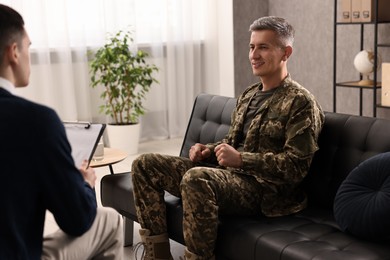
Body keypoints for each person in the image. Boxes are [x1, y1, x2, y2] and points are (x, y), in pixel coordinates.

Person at [131, 16, 324, 260]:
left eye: (263, 47)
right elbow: (232, 143)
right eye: (252, 47)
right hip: (232, 178)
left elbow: (296, 167)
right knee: (144, 164)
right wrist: (207, 150)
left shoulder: (300, 102)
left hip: (268, 193)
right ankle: (156, 255)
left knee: (197, 178)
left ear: (286, 53)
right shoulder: (248, 95)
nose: (254, 54)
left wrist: (242, 160)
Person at [0, 4, 124, 260]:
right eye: (29, 47)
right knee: (108, 220)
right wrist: (84, 184)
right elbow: (76, 220)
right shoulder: (36, 122)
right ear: (13, 52)